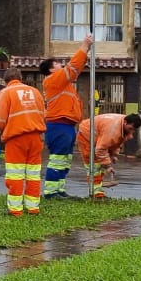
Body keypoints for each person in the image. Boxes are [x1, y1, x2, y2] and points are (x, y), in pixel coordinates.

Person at [39, 33, 93, 199]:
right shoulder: (53, 80)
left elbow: (74, 70)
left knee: (65, 159)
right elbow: (72, 68)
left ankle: (59, 190)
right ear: (50, 70)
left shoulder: (63, 83)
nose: (61, 65)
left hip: (67, 126)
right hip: (58, 125)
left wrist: (85, 54)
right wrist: (84, 46)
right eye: (57, 64)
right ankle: (50, 191)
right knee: (58, 159)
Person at [0, 67, 47, 217]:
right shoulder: (35, 92)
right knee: (33, 174)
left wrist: (5, 128)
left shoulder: (5, 93)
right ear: (20, 78)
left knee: (16, 174)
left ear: (6, 80)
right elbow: (43, 113)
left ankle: (15, 210)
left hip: (16, 138)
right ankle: (33, 207)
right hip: (36, 138)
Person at [76, 113, 141, 199]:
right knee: (94, 165)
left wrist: (113, 155)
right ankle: (96, 193)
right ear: (125, 122)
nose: (131, 132)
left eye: (133, 130)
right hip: (86, 135)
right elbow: (101, 149)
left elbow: (115, 143)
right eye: (130, 129)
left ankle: (97, 191)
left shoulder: (122, 126)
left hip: (96, 135)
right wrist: (108, 165)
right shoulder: (112, 130)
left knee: (100, 163)